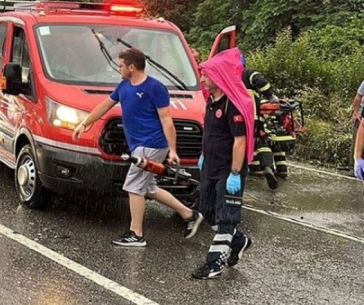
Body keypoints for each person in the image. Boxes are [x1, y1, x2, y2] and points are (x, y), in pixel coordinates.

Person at [74, 48, 201, 247]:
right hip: (139, 145)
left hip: (151, 145)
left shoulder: (155, 88)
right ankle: (189, 214)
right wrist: (85, 123)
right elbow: (105, 105)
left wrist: (173, 150)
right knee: (148, 187)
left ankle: (136, 234)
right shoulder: (124, 85)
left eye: (121, 66)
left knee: (134, 187)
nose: (119, 69)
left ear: (132, 67)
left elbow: (167, 120)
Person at [193, 48, 255, 279]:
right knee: (207, 210)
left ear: (218, 77)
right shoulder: (212, 101)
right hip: (210, 165)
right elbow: (210, 133)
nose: (202, 79)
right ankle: (239, 241)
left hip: (229, 170)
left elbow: (240, 141)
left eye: (205, 75)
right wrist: (203, 154)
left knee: (226, 216)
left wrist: (235, 173)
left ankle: (214, 264)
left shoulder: (233, 105)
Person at [242, 62, 284, 186]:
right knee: (261, 142)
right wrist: (270, 96)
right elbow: (260, 81)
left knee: (245, 143)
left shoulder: (230, 75)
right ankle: (266, 167)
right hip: (254, 115)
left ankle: (254, 168)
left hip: (236, 116)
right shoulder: (248, 73)